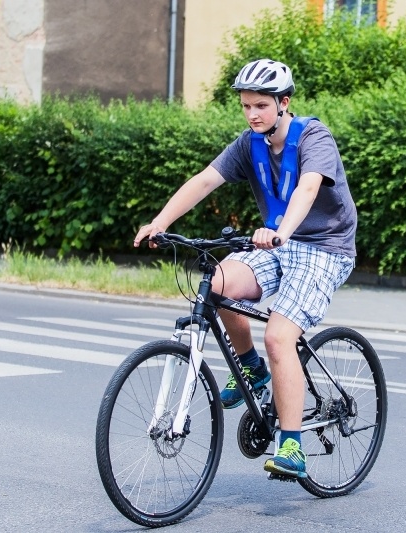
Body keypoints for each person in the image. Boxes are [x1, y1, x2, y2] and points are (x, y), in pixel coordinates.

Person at [133, 58, 357, 479]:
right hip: (276, 243)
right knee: (217, 284)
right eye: (246, 106)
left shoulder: (315, 137)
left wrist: (283, 231)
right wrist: (161, 223)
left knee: (279, 335)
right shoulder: (248, 144)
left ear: (283, 102)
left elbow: (308, 187)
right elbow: (204, 180)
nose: (252, 114)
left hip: (324, 248)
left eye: (261, 105)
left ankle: (291, 444)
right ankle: (251, 368)